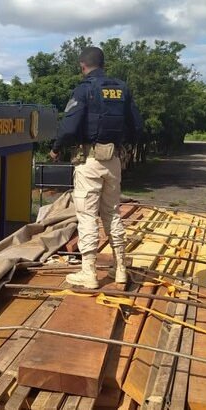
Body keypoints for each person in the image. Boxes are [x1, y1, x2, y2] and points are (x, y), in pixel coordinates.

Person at [49, 47, 143, 288]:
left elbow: (69, 127)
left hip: (89, 161)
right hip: (114, 160)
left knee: (87, 215)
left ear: (82, 65)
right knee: (112, 213)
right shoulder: (122, 89)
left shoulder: (84, 89)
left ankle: (89, 273)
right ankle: (120, 268)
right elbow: (137, 126)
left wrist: (57, 148)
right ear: (104, 63)